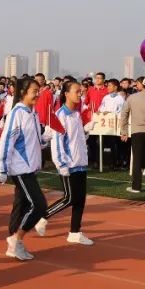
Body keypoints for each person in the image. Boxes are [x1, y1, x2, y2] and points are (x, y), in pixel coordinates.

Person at [0, 77, 48, 261]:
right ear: (23, 92)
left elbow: (33, 139)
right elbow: (7, 140)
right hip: (20, 168)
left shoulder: (32, 113)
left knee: (21, 205)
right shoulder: (17, 113)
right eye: (34, 90)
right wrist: (2, 167)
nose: (38, 93)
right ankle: (16, 238)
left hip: (30, 167)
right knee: (39, 205)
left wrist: (46, 137)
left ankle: (14, 246)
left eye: (38, 90)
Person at [36, 79, 93, 245]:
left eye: (81, 91)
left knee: (80, 199)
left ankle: (75, 232)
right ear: (66, 94)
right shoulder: (60, 115)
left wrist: (86, 131)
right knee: (70, 198)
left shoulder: (76, 114)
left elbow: (76, 138)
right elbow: (58, 143)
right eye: (77, 91)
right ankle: (43, 216)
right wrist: (61, 164)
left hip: (80, 162)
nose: (80, 94)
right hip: (68, 164)